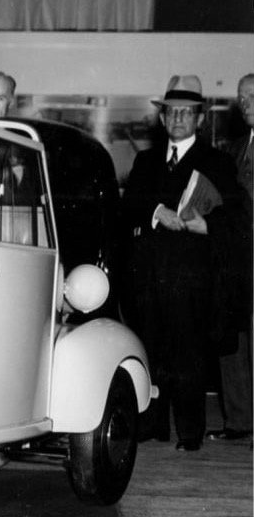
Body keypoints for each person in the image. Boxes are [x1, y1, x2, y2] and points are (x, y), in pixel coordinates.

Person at [122, 75, 248, 452]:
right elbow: (128, 207)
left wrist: (207, 225)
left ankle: (190, 433)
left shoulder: (218, 162)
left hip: (192, 278)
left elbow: (236, 216)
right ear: (162, 119)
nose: (178, 118)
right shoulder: (145, 161)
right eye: (172, 112)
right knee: (150, 350)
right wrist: (155, 211)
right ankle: (152, 424)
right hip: (149, 277)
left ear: (200, 119)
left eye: (186, 112)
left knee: (188, 355)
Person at [207, 73, 254, 443]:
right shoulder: (233, 149)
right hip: (235, 260)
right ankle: (239, 421)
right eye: (242, 97)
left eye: (253, 95)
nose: (246, 102)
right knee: (233, 340)